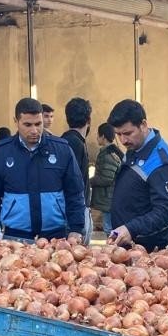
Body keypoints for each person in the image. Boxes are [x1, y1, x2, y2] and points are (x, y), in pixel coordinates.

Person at [0, 97, 86, 241]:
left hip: (55, 236)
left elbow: (75, 192)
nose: (34, 130)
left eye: (38, 124)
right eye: (28, 125)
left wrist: (76, 228)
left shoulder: (62, 150)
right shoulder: (1, 152)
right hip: (15, 236)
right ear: (16, 122)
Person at [107, 99, 168, 251]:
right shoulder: (135, 148)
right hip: (127, 243)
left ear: (143, 125)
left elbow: (164, 212)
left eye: (127, 133)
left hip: (147, 250)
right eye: (118, 134)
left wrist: (131, 228)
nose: (123, 140)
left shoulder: (161, 163)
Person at [62, 97, 93, 240]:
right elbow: (74, 185)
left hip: (73, 210)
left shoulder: (65, 141)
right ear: (88, 119)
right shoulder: (75, 144)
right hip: (75, 213)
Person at [90, 123, 122, 234]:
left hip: (109, 197)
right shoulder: (109, 152)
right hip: (108, 197)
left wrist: (90, 181)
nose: (97, 138)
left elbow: (107, 178)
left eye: (98, 135)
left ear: (103, 136)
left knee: (109, 229)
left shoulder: (108, 155)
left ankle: (113, 249)